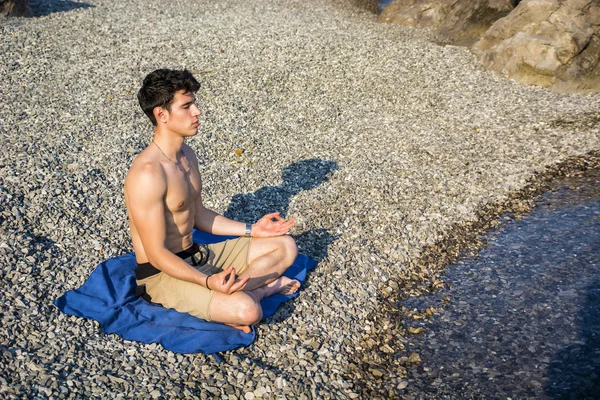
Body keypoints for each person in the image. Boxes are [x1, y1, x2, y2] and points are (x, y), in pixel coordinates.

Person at [124, 69, 300, 333]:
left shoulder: (186, 155)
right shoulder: (148, 174)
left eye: (194, 103)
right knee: (248, 311)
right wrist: (207, 283)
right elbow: (156, 254)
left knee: (285, 246)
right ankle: (259, 292)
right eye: (187, 106)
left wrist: (253, 229)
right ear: (161, 115)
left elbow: (198, 214)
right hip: (162, 274)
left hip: (197, 253)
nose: (197, 112)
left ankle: (235, 290)